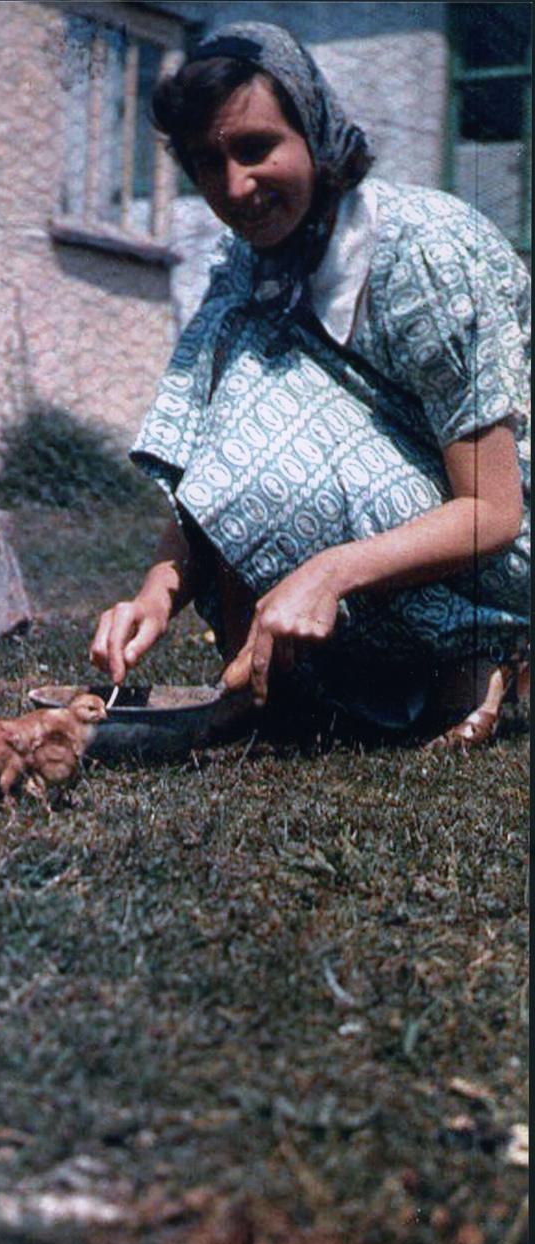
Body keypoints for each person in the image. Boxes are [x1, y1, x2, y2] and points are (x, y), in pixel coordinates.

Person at [89, 21, 530, 746]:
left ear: (316, 132)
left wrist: (330, 572)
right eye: (209, 162)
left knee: (274, 422)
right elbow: (216, 442)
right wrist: (157, 590)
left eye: (257, 147)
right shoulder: (251, 268)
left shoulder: (425, 253)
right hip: (411, 512)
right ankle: (271, 679)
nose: (236, 186)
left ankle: (473, 651)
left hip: (504, 546)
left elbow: (492, 513)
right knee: (241, 378)